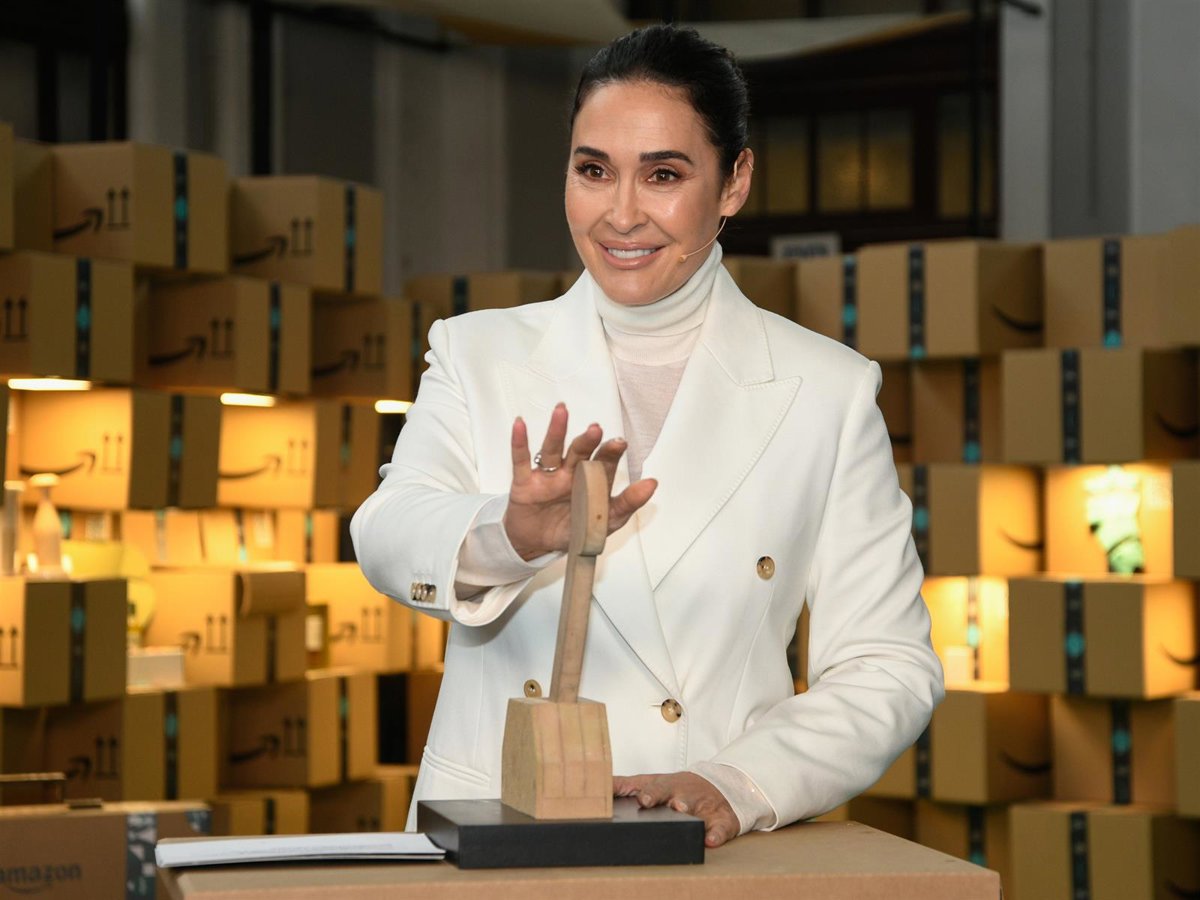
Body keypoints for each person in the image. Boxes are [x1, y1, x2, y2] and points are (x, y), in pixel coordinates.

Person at [352, 23, 943, 848]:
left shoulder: (827, 392)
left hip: (700, 845)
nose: (621, 214)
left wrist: (738, 782)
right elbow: (385, 534)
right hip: (492, 830)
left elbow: (890, 664)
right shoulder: (475, 351)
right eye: (593, 171)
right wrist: (509, 535)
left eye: (664, 174)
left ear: (734, 182)